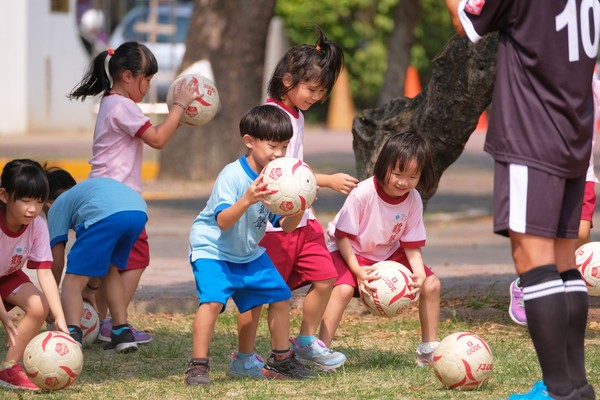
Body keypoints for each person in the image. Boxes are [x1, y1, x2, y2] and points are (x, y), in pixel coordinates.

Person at [445, 1, 597, 399]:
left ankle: (557, 390)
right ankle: (578, 386)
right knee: (564, 262)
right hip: (573, 132)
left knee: (533, 261)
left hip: (533, 134)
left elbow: (467, 23)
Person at [236, 27, 358, 372]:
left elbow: (297, 173)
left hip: (302, 217)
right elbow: (281, 174)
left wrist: (308, 199)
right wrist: (327, 180)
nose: (315, 97)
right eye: (311, 89)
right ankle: (245, 356)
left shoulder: (297, 115)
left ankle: (304, 342)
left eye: (321, 92)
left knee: (325, 276)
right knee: (265, 294)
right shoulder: (271, 116)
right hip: (274, 223)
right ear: (288, 79)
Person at [68, 41, 198, 345]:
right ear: (127, 76)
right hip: (117, 201)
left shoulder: (112, 103)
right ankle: (113, 322)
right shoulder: (122, 106)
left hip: (106, 199)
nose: (148, 86)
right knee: (136, 259)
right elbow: (157, 138)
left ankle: (104, 317)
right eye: (147, 80)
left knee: (111, 265)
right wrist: (178, 107)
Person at [185, 105, 314, 386]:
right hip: (213, 251)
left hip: (247, 253)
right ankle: (198, 366)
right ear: (249, 141)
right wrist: (248, 198)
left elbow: (284, 226)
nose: (279, 153)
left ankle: (276, 359)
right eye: (272, 146)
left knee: (280, 294)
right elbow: (223, 221)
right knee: (212, 302)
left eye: (284, 146)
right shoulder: (232, 176)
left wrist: (300, 206)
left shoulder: (277, 179)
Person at [319, 131, 441, 367]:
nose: (403, 182)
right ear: (384, 165)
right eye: (397, 173)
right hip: (349, 250)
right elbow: (342, 237)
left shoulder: (413, 198)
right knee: (343, 290)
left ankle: (428, 350)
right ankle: (320, 350)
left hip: (387, 252)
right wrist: (357, 271)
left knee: (431, 284)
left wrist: (419, 275)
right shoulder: (363, 193)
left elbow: (412, 246)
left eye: (413, 176)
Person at [509, 79, 600, 327]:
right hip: (546, 174)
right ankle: (525, 285)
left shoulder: (593, 87)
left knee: (580, 234)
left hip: (583, 176)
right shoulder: (546, 87)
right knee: (546, 238)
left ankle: (563, 286)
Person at [44, 168, 147, 354]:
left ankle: (72, 335)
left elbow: (56, 262)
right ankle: (122, 333)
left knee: (72, 281)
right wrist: (90, 288)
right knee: (109, 269)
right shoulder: (85, 193)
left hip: (107, 216)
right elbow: (96, 265)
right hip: (138, 210)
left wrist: (51, 302)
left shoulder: (56, 206)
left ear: (47, 202)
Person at [0, 159, 67, 390]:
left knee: (39, 306)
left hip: (7, 276)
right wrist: (3, 314)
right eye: (25, 200)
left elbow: (45, 272)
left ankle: (8, 367)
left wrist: (59, 317)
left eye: (39, 202)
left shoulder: (37, 225)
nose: (33, 208)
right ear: (4, 196)